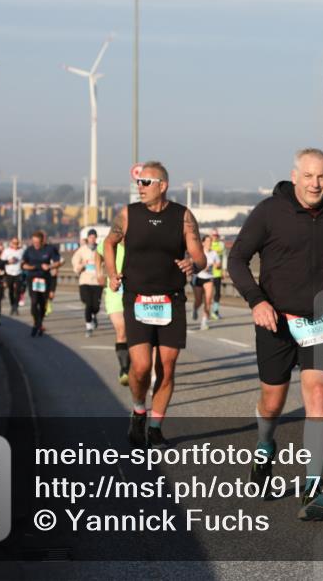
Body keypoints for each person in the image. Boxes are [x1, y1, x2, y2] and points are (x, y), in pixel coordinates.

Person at [228, 148, 323, 520]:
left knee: (318, 395)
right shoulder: (269, 211)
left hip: (321, 321)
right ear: (295, 176)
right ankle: (265, 447)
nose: (316, 183)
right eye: (309, 176)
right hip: (276, 322)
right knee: (273, 402)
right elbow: (236, 259)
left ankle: (313, 491)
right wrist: (256, 301)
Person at [103, 161, 206, 449]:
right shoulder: (128, 214)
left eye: (147, 182)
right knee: (140, 366)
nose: (141, 187)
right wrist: (112, 273)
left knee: (167, 367)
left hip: (170, 300)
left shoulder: (183, 216)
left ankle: (156, 427)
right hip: (136, 299)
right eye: (138, 182)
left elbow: (200, 256)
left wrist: (193, 264)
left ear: (163, 185)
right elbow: (109, 243)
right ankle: (138, 410)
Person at [96, 236, 130, 384]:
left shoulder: (140, 237)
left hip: (137, 291)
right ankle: (125, 368)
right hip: (115, 291)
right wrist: (99, 272)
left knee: (136, 332)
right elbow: (98, 253)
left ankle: (137, 362)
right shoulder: (109, 241)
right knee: (121, 330)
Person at [22, 230, 62, 337]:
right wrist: (32, 267)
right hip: (33, 278)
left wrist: (49, 267)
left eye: (38, 242)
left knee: (43, 303)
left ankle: (39, 323)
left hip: (45, 279)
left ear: (42, 241)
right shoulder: (29, 250)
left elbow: (58, 262)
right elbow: (23, 264)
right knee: (34, 302)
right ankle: (37, 323)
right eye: (34, 242)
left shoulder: (49, 249)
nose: (36, 244)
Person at [72, 229, 104, 337]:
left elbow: (107, 261)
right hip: (85, 281)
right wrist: (82, 265)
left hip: (97, 281)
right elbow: (75, 263)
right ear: (88, 238)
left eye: (94, 237)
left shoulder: (100, 249)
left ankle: (94, 316)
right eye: (90, 237)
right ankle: (88, 326)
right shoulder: (82, 250)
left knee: (96, 306)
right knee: (88, 303)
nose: (92, 239)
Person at [191, 235, 220, 331]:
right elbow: (192, 265)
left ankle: (204, 322)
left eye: (210, 241)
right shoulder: (199, 253)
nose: (209, 243)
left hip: (209, 278)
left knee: (208, 301)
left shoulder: (214, 253)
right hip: (198, 278)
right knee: (198, 300)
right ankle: (195, 309)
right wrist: (203, 267)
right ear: (203, 243)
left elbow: (218, 265)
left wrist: (217, 265)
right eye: (207, 241)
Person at [2, 237, 25, 315]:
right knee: (11, 291)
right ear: (11, 243)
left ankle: (16, 307)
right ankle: (12, 305)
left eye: (17, 243)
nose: (16, 245)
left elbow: (26, 260)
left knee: (18, 291)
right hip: (9, 273)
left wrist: (23, 263)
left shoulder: (22, 251)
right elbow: (1, 262)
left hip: (18, 273)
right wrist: (8, 261)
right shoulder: (6, 251)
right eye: (14, 243)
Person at [210, 229, 226, 320]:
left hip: (218, 273)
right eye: (214, 235)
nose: (215, 237)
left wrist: (224, 270)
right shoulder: (208, 244)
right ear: (211, 236)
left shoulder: (221, 245)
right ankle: (207, 310)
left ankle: (215, 311)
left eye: (217, 235)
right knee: (209, 294)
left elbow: (224, 257)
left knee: (218, 293)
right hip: (208, 274)